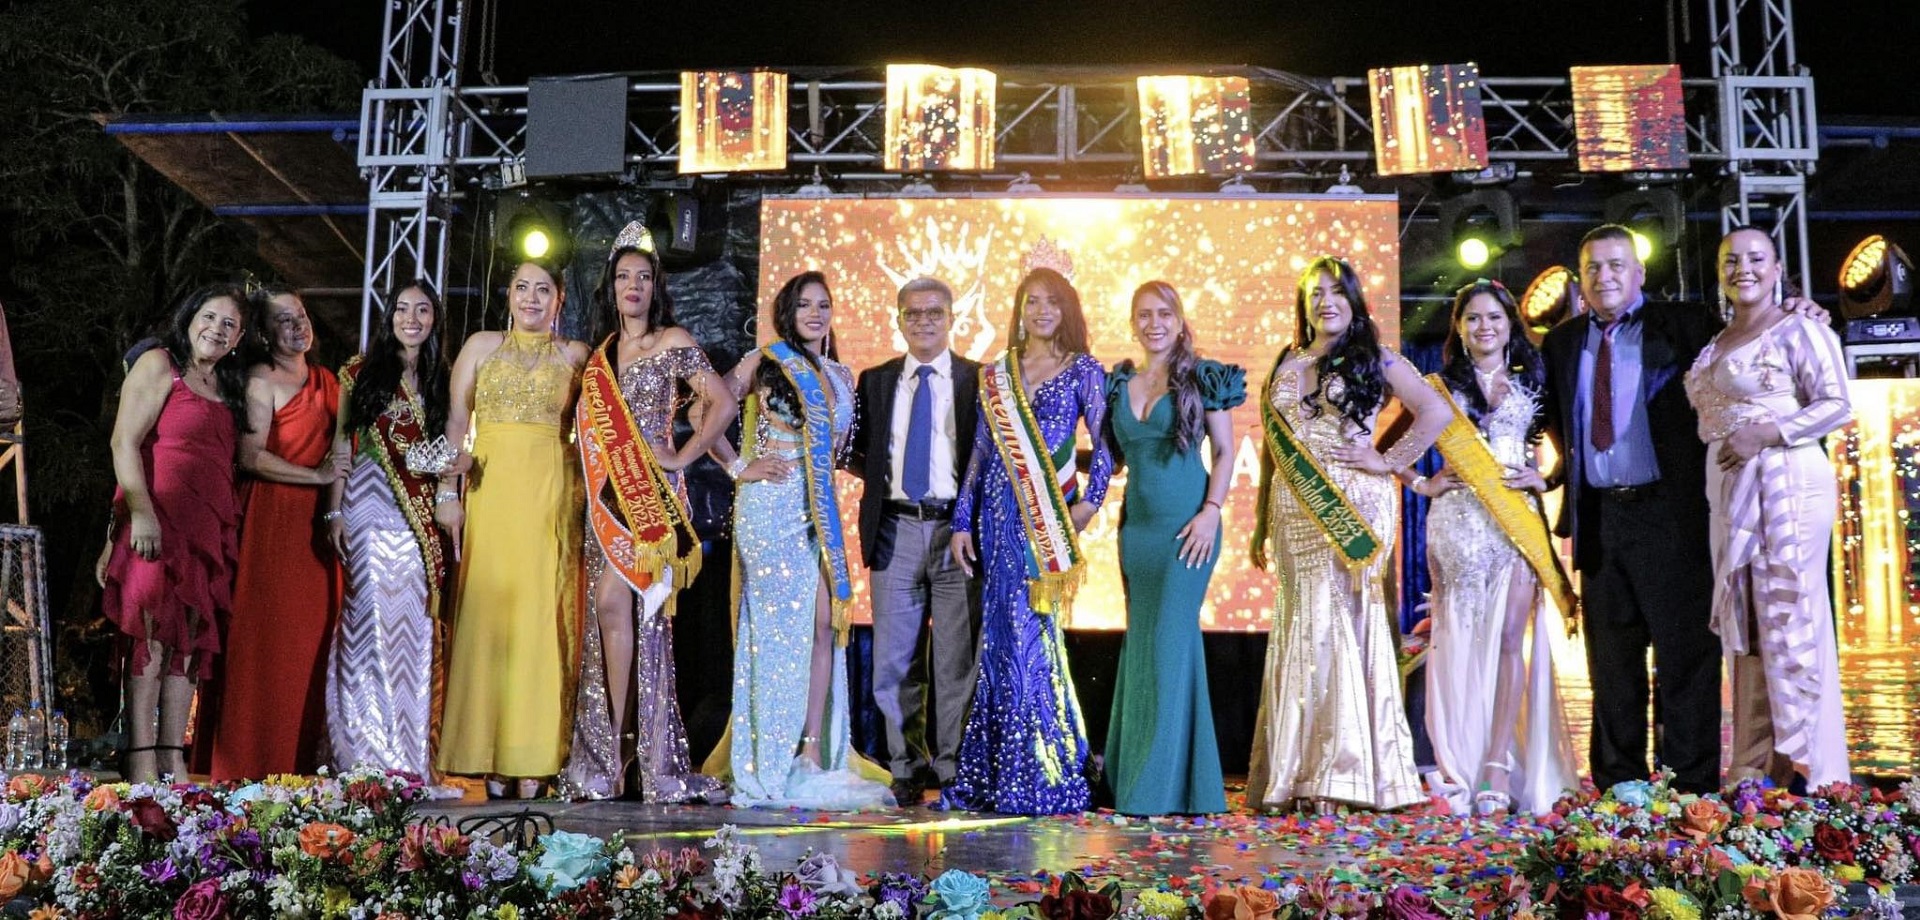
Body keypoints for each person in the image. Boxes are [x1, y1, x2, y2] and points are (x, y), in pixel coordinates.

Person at [1246, 255, 1450, 813]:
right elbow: (1271, 449)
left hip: (1352, 508)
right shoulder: (1287, 359)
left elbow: (1434, 411)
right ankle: (1301, 770)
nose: (1326, 302)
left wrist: (1389, 461)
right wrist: (1261, 521)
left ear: (1354, 299)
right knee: (1304, 628)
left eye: (1336, 291)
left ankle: (1344, 776)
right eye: (1315, 293)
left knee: (1340, 627)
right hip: (1293, 512)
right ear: (1303, 303)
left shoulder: (1374, 357)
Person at [1540, 224, 1723, 794]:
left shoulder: (1687, 325)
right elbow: (1556, 419)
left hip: (1673, 517)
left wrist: (1797, 307)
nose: (1605, 276)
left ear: (1640, 272)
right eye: (1593, 267)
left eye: (1617, 264)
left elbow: (1751, 338)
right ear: (1580, 278)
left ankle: (1690, 789)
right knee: (1612, 666)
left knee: (1685, 658)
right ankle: (1620, 785)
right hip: (1601, 519)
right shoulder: (1562, 342)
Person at [560, 228, 734, 802]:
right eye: (622, 276)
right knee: (609, 612)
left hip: (652, 500)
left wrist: (683, 454)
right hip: (606, 502)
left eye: (643, 276)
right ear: (610, 287)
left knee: (631, 611)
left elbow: (721, 401)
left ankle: (643, 754)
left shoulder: (672, 339)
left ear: (656, 286)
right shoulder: (600, 356)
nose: (632, 285)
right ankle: (613, 751)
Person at [716, 271, 893, 809]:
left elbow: (839, 453)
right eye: (804, 305)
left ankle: (810, 752)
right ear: (786, 312)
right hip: (771, 508)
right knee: (778, 635)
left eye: (823, 305)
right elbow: (707, 411)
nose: (815, 314)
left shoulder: (840, 373)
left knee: (823, 626)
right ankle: (768, 756)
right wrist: (739, 466)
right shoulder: (765, 362)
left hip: (818, 510)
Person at [1685, 226, 1851, 789]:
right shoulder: (1718, 340)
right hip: (1730, 494)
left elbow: (1836, 402)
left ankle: (1808, 770)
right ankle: (1754, 769)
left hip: (1786, 483)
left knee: (1789, 615)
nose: (1743, 269)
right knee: (1748, 625)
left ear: (1778, 268)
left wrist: (1768, 434)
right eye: (1730, 260)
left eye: (1756, 258)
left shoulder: (1799, 327)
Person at [948, 266, 1114, 815]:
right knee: (999, 640)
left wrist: (1088, 504)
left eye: (1052, 301)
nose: (1042, 311)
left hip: (1045, 523)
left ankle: (1039, 768)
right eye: (1032, 301)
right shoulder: (997, 374)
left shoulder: (1083, 369)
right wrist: (961, 520)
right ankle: (997, 771)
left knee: (1032, 638)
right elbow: (980, 452)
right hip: (997, 518)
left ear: (1067, 309)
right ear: (1019, 309)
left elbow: (1105, 446)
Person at [1413, 279, 1578, 816]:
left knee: (1510, 639)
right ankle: (1456, 760)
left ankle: (1496, 763)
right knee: (1458, 643)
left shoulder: (1535, 382)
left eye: (1494, 318)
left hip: (1513, 524)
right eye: (1473, 319)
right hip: (1456, 527)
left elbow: (1567, 453)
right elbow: (1391, 449)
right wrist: (1423, 483)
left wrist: (1543, 480)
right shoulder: (1439, 388)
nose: (1484, 327)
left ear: (1511, 326)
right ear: (1459, 329)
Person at [435, 258, 591, 798]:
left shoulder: (575, 355)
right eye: (522, 287)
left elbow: (597, 428)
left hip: (550, 494)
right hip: (490, 491)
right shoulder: (481, 346)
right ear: (508, 295)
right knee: (489, 618)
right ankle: (487, 756)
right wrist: (446, 493)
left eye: (542, 289)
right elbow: (457, 424)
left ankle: (533, 757)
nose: (531, 298)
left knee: (538, 622)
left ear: (559, 299)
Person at [98, 284, 250, 783]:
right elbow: (124, 442)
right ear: (189, 318)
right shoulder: (160, 364)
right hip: (155, 525)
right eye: (209, 317)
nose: (216, 329)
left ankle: (172, 755)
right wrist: (140, 513)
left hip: (203, 534)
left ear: (239, 338)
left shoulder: (227, 386)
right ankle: (140, 755)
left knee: (188, 641)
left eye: (229, 324)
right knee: (150, 636)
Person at [1102, 281, 1242, 816]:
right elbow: (1111, 459)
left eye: (1164, 313)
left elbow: (1225, 451)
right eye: (1144, 314)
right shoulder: (1120, 383)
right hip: (1136, 533)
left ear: (1180, 320)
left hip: (1189, 528)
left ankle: (1154, 789)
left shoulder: (1205, 377)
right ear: (1132, 323)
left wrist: (1212, 511)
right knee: (1143, 649)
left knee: (1167, 644)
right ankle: (1156, 780)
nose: (1154, 323)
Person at [845, 277, 982, 809]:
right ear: (898, 319)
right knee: (893, 662)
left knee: (955, 661)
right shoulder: (876, 381)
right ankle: (906, 767)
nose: (924, 321)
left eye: (934, 313)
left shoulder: (977, 379)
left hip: (957, 534)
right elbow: (859, 451)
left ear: (952, 319)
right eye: (913, 313)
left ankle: (952, 768)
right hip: (896, 529)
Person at [208, 285, 344, 781]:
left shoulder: (329, 380)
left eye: (300, 315)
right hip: (272, 517)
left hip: (316, 525)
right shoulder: (261, 379)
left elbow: (345, 452)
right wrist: (315, 476)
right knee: (265, 639)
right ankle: (250, 760)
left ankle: (301, 761)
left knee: (311, 643)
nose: (296, 326)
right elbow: (250, 456)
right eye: (283, 320)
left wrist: (333, 504)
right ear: (265, 334)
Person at [322, 281, 453, 777]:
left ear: (435, 319)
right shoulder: (360, 372)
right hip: (367, 505)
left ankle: (409, 756)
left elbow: (449, 450)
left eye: (422, 310)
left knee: (413, 627)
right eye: (402, 309)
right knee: (368, 620)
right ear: (389, 317)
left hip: (418, 516)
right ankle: (362, 750)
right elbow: (341, 446)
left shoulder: (442, 378)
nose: (411, 319)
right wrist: (334, 512)